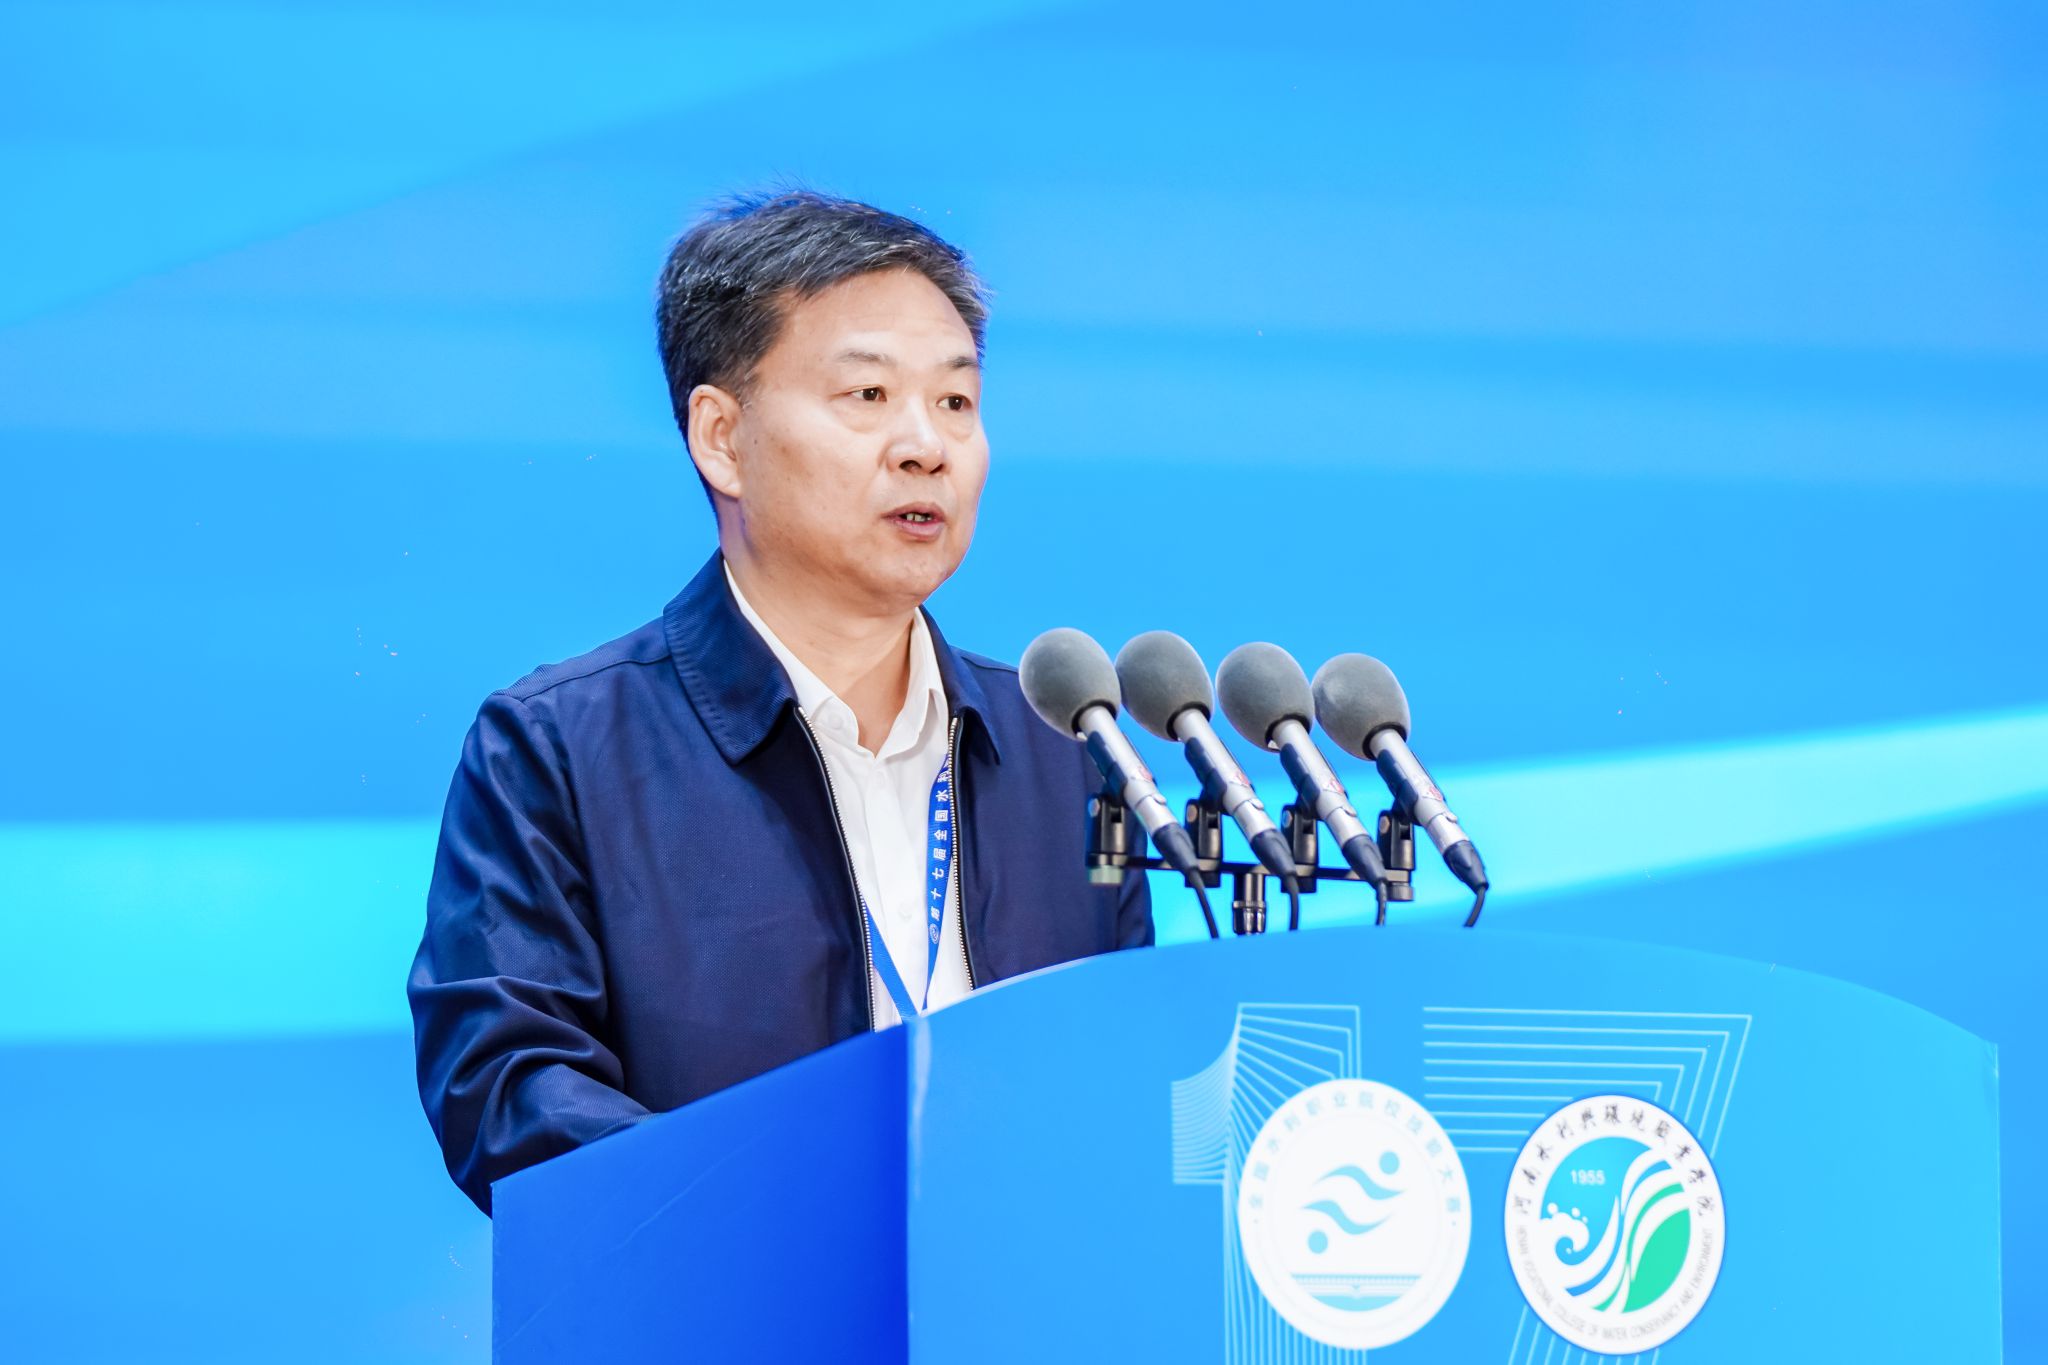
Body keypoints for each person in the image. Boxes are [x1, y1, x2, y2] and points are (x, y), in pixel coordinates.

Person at [407, 185, 1155, 1217]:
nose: (925, 445)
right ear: (721, 437)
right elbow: (508, 1096)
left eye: (955, 402)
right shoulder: (559, 751)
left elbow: (1120, 1069)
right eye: (867, 395)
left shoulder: (1064, 752)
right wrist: (787, 1211)